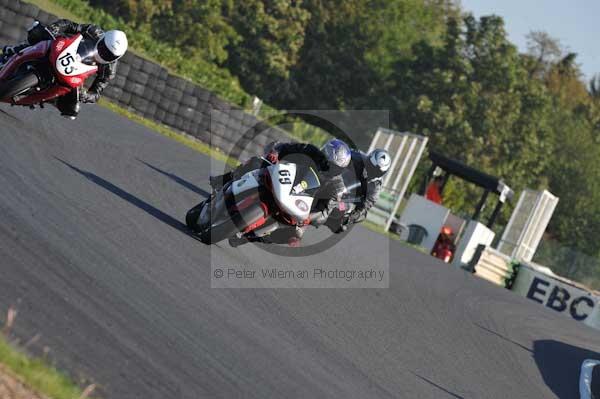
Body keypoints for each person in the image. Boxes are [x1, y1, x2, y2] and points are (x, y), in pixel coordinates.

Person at [213, 139, 351, 247]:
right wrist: (275, 152)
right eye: (327, 162)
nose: (328, 168)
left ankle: (249, 238)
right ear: (323, 153)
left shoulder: (337, 186)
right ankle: (223, 181)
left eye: (334, 167)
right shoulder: (310, 151)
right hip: (283, 179)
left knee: (295, 235)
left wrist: (310, 218)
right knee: (258, 162)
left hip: (300, 205)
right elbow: (285, 148)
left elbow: (324, 211)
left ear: (340, 170)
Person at [1, 20, 128, 119]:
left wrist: (86, 96)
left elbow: (97, 92)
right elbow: (70, 25)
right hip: (64, 50)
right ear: (103, 39)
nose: (103, 53)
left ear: (115, 58)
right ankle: (14, 50)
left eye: (108, 54)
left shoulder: (109, 69)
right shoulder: (93, 31)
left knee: (72, 109)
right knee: (39, 33)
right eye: (103, 47)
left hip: (75, 73)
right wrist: (56, 28)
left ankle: (41, 97)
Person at [324, 148, 391, 233]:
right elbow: (339, 153)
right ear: (368, 160)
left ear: (382, 173)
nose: (372, 172)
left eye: (376, 171)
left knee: (342, 210)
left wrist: (353, 216)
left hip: (343, 199)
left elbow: (368, 203)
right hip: (331, 182)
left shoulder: (376, 185)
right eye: (371, 167)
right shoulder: (355, 156)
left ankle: (330, 221)